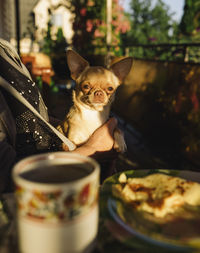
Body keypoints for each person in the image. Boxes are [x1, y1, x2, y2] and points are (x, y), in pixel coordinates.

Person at [0, 39, 118, 193]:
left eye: (109, 88)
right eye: (88, 86)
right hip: (46, 194)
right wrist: (91, 150)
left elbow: (24, 113)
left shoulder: (4, 49)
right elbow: (7, 175)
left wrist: (55, 124)